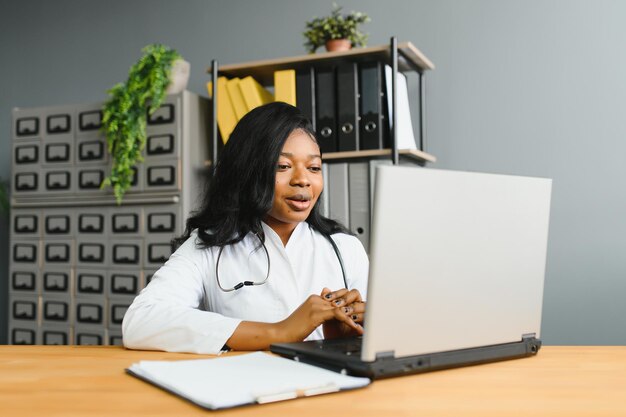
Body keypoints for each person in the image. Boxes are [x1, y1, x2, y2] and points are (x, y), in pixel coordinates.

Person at [122, 102, 369, 354]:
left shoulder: (345, 249)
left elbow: (382, 343)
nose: (303, 179)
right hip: (247, 389)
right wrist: (279, 332)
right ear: (248, 171)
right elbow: (141, 321)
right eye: (282, 166)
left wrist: (349, 337)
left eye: (314, 167)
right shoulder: (209, 246)